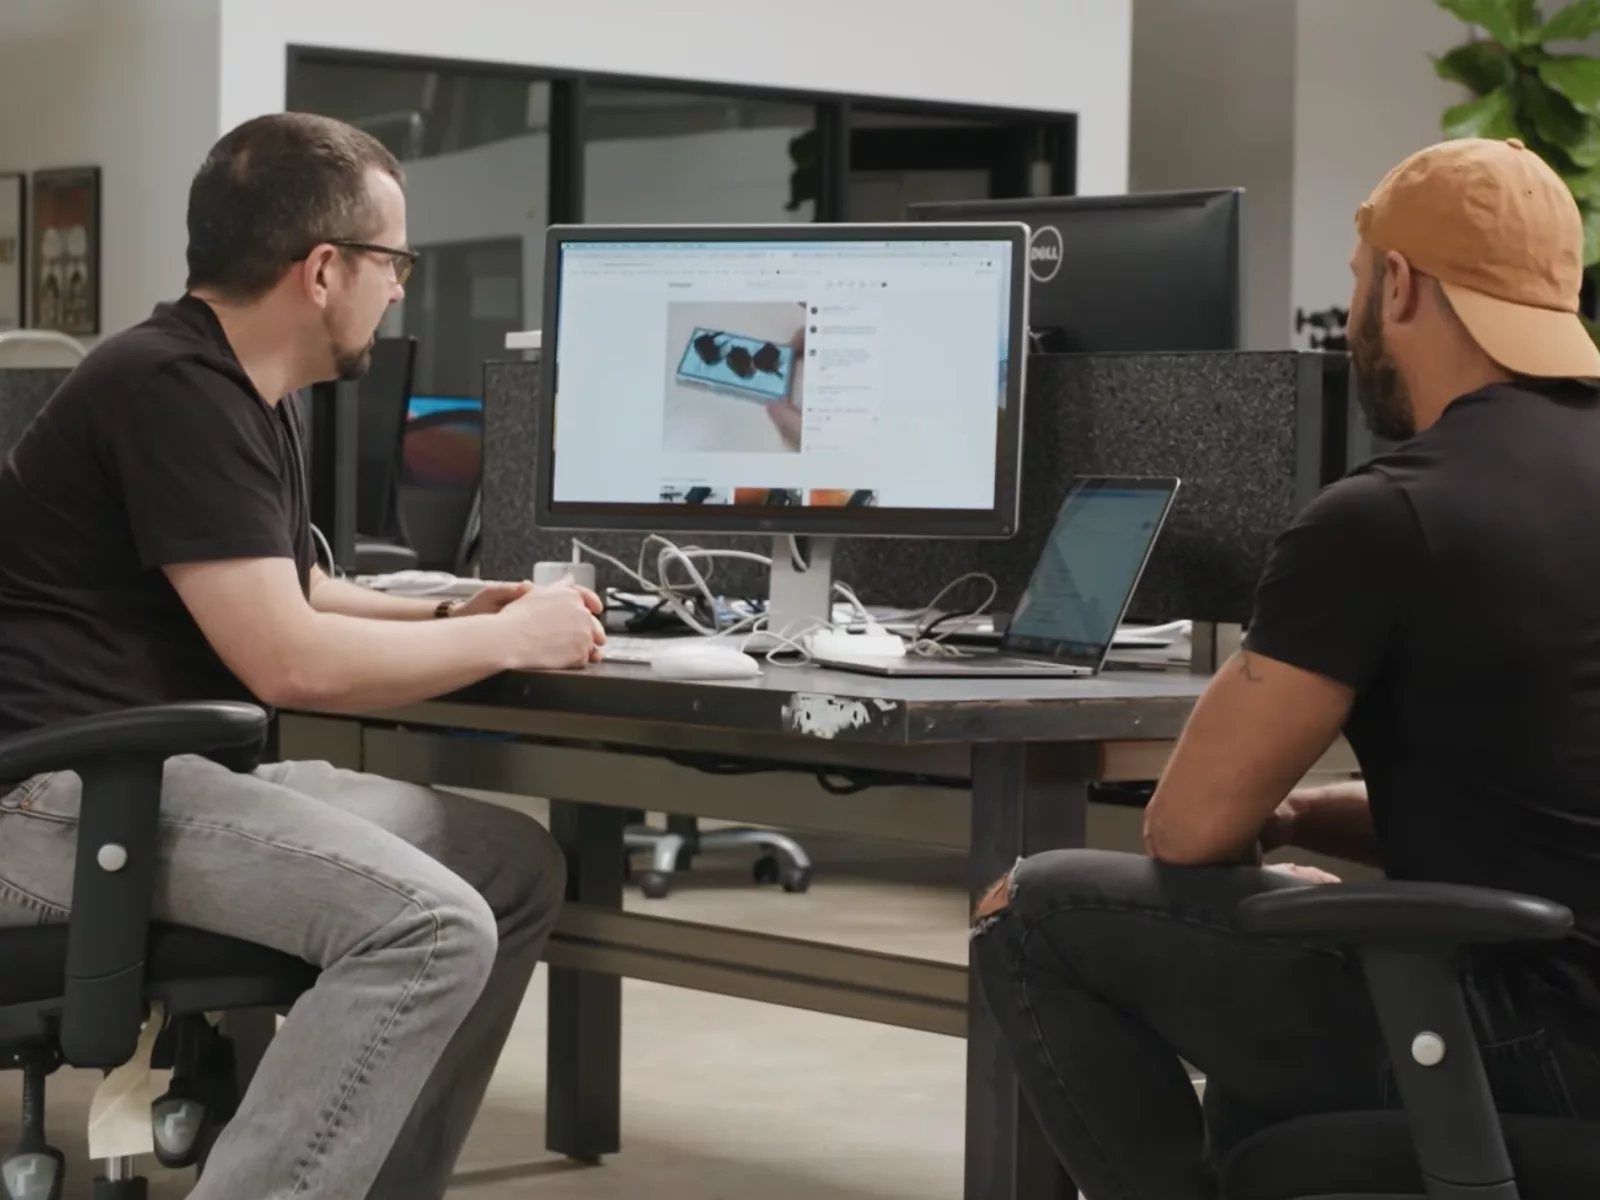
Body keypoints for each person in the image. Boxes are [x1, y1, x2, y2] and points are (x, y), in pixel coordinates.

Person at [970, 136, 1600, 1199]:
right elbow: (1534, 802)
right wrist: (1304, 817)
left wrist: (1259, 834)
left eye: (1357, 284)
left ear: (1398, 285)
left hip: (1527, 1044)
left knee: (1032, 911)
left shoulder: (1391, 514)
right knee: (1288, 1000)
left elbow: (1188, 830)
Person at [0, 113, 606, 1199]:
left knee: (513, 867)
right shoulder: (169, 388)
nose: (400, 290)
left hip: (154, 777)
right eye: (394, 262)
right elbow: (291, 662)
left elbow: (299, 588)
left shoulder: (241, 384)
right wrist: (512, 637)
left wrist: (455, 610)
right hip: (55, 805)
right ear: (324, 269)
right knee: (431, 928)